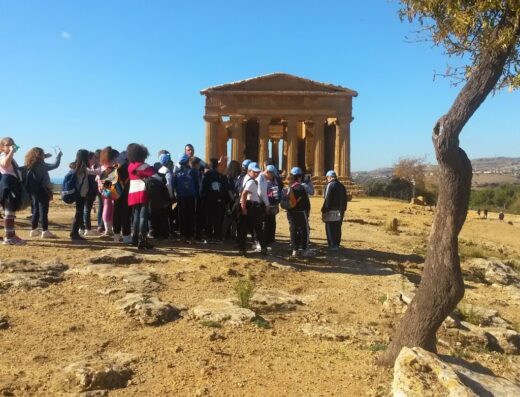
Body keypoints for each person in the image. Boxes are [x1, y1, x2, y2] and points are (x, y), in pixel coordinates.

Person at [23, 147, 62, 238]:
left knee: (35, 210)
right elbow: (55, 165)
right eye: (42, 153)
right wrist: (59, 155)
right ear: (39, 155)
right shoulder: (41, 164)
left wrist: (45, 156)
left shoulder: (30, 163)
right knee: (43, 211)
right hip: (42, 190)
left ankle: (34, 230)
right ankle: (45, 231)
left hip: (33, 190)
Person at [127, 143, 156, 249]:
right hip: (143, 192)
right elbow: (155, 176)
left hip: (133, 192)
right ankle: (142, 239)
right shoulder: (144, 166)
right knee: (143, 216)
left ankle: (134, 238)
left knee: (136, 216)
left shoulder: (130, 166)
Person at [69, 149, 101, 241]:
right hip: (81, 193)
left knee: (79, 212)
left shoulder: (74, 166)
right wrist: (99, 164)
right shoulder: (82, 168)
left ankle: (76, 232)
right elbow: (97, 172)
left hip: (76, 192)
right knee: (79, 213)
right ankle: (74, 233)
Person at [0, 137, 26, 245]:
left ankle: (12, 235)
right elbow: (5, 164)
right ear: (1, 147)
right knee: (9, 212)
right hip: (7, 185)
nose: (11, 146)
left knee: (11, 211)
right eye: (8, 144)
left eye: (13, 144)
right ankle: (9, 238)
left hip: (12, 184)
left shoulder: (8, 155)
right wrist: (11, 152)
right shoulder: (3, 155)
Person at [237, 162, 267, 256]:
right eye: (255, 172)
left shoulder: (244, 177)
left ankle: (242, 249)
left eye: (258, 172)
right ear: (249, 171)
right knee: (258, 228)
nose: (257, 174)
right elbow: (244, 194)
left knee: (244, 229)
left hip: (248, 205)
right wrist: (244, 207)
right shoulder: (251, 181)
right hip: (252, 206)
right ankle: (263, 248)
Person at [285, 167, 311, 257]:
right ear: (299, 177)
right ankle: (305, 250)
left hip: (290, 212)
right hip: (300, 212)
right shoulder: (300, 187)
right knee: (304, 230)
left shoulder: (288, 187)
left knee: (293, 229)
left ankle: (294, 250)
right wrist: (307, 211)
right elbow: (306, 202)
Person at [173, 154, 198, 243]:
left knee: (182, 217)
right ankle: (191, 236)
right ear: (188, 161)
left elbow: (174, 185)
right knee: (191, 216)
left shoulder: (177, 173)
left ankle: (183, 236)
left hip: (181, 197)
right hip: (191, 197)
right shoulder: (193, 172)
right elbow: (197, 185)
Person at [201, 158, 227, 242]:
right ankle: (217, 236)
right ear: (217, 165)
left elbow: (203, 188)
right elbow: (224, 189)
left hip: (208, 200)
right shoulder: (222, 176)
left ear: (209, 165)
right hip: (219, 200)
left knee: (209, 218)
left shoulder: (206, 175)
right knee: (218, 219)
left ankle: (208, 236)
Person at [321, 170, 348, 251]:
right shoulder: (341, 186)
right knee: (337, 227)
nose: (327, 179)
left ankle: (332, 245)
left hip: (331, 210)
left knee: (330, 227)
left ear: (329, 177)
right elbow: (345, 199)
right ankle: (336, 244)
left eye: (327, 178)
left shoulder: (330, 185)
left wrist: (324, 210)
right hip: (340, 210)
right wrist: (343, 210)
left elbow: (327, 199)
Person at [97, 146, 118, 236]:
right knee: (110, 206)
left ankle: (108, 228)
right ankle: (109, 229)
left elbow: (98, 177)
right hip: (108, 185)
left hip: (102, 186)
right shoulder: (111, 166)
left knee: (107, 206)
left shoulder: (102, 166)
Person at [112, 151, 132, 244]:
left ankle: (116, 235)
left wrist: (111, 191)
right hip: (127, 194)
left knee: (116, 213)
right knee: (126, 214)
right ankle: (126, 236)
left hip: (116, 194)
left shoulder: (114, 166)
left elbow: (106, 178)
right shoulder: (128, 166)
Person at [263, 164, 283, 248]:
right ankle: (265, 240)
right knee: (266, 223)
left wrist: (277, 204)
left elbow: (279, 193)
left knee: (272, 222)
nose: (270, 174)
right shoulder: (263, 180)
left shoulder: (276, 181)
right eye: (268, 173)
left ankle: (271, 240)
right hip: (266, 204)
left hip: (273, 204)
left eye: (271, 173)